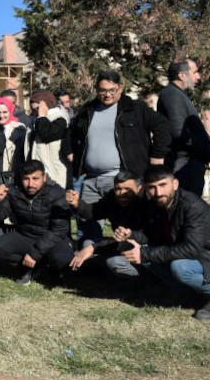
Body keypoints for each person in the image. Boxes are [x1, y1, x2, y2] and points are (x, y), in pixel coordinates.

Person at [70, 70, 171, 245]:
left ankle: (125, 259)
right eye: (102, 90)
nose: (107, 94)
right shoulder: (88, 110)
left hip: (121, 179)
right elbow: (70, 133)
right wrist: (70, 152)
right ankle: (89, 257)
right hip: (91, 179)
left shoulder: (135, 108)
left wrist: (158, 153)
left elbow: (162, 125)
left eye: (112, 90)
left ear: (121, 88)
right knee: (87, 228)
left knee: (124, 231)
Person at [117, 166, 210, 320]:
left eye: (163, 185)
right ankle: (182, 292)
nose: (158, 192)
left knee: (180, 267)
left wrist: (144, 254)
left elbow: (191, 249)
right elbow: (151, 235)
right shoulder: (156, 204)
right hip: (185, 253)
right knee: (131, 247)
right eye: (152, 187)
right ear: (146, 188)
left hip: (204, 256)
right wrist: (131, 235)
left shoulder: (193, 206)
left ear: (175, 184)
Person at [0, 160, 73, 285]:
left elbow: (59, 229)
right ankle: (30, 269)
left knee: (62, 258)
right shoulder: (13, 190)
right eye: (26, 179)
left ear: (44, 177)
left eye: (35, 178)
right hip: (26, 235)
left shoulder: (57, 193)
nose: (30, 184)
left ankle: (50, 269)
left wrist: (34, 254)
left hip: (52, 237)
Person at [65, 170, 147, 275]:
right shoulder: (112, 197)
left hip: (140, 245)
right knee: (87, 244)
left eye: (127, 189)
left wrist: (94, 247)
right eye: (118, 188)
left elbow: (139, 237)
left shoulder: (144, 203)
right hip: (117, 241)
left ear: (139, 188)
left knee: (114, 261)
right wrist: (77, 204)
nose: (122, 193)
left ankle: (142, 278)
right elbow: (95, 212)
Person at [157, 58, 210, 196]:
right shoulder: (172, 95)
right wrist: (204, 148)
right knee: (186, 204)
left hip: (190, 164)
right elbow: (179, 132)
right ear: (182, 75)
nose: (198, 77)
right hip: (184, 166)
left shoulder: (177, 94)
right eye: (195, 72)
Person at [27, 90, 69, 188]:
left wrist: (42, 116)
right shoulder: (34, 122)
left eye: (38, 109)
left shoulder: (60, 120)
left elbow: (46, 135)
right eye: (33, 110)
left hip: (54, 176)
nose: (35, 113)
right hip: (37, 174)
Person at [0, 96, 27, 184]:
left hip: (14, 174)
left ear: (10, 111)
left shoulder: (19, 129)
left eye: (5, 112)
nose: (1, 116)